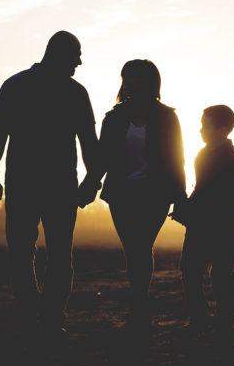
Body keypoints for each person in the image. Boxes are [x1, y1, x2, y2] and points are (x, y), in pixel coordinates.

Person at [0, 30, 100, 348]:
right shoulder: (21, 86)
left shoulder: (25, 85)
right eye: (76, 54)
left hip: (48, 185)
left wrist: (92, 180)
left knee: (40, 254)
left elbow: (89, 142)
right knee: (40, 254)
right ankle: (39, 319)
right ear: (59, 53)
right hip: (35, 185)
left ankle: (43, 319)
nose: (80, 61)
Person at [79, 59, 186, 341]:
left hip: (155, 194)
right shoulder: (114, 118)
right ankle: (140, 308)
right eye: (125, 77)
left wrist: (181, 197)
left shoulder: (166, 117)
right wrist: (89, 185)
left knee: (140, 247)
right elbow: (102, 157)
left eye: (134, 78)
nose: (128, 83)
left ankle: (139, 310)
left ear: (149, 82)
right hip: (122, 194)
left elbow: (177, 159)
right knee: (134, 250)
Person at [170, 104, 234, 341]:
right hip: (201, 225)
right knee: (190, 270)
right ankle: (201, 318)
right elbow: (203, 188)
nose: (200, 130)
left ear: (223, 129)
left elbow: (221, 194)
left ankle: (222, 324)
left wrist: (194, 207)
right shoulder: (202, 154)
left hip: (222, 227)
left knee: (220, 276)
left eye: (206, 126)